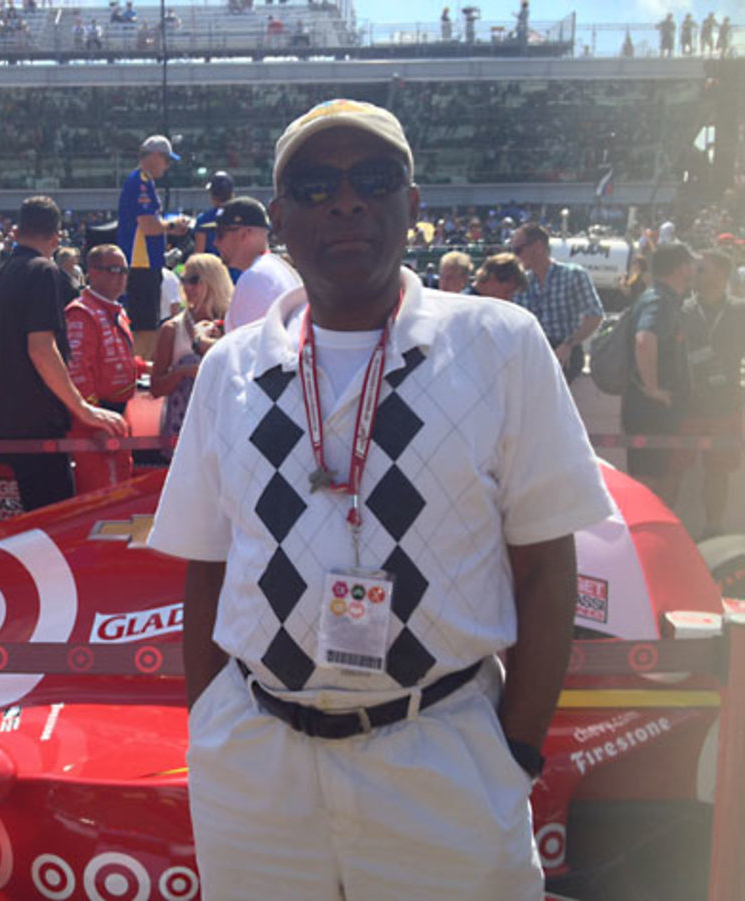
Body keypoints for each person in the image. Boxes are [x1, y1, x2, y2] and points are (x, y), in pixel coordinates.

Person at [148, 98, 613, 901]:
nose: (346, 202)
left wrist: (513, 755)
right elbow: (208, 567)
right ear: (281, 215)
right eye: (315, 185)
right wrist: (211, 727)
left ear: (412, 202)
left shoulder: (499, 344)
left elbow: (546, 567)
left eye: (372, 178)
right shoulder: (232, 368)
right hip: (258, 768)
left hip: (441, 759)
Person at [0, 196, 126, 512]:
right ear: (56, 239)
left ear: (16, 232)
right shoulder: (44, 272)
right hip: (41, 419)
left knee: (36, 515)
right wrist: (82, 409)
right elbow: (41, 348)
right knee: (55, 521)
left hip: (7, 419)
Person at [621, 242, 697, 506]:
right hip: (652, 411)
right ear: (680, 268)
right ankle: (649, 533)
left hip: (653, 410)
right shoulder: (659, 301)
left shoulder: (661, 298)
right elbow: (644, 339)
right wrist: (653, 388)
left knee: (662, 476)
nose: (695, 270)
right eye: (691, 264)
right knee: (649, 481)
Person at [64, 244, 143, 493]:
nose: (121, 277)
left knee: (122, 491)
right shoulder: (81, 313)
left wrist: (150, 368)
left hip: (119, 417)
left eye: (124, 271)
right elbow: (77, 373)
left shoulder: (117, 311)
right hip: (94, 424)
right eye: (113, 270)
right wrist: (95, 423)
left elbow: (118, 360)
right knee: (101, 498)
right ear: (93, 272)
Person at [679, 250, 744, 537]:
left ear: (722, 274)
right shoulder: (682, 309)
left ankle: (713, 529)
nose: (695, 273)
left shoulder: (739, 310)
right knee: (675, 467)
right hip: (687, 403)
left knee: (719, 470)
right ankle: (670, 532)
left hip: (725, 404)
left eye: (702, 269)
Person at [116, 135, 190, 358]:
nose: (167, 167)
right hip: (142, 263)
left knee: (147, 325)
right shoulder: (140, 182)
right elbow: (148, 225)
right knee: (145, 328)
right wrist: (172, 225)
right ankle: (138, 371)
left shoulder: (144, 181)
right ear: (155, 156)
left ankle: (139, 366)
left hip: (145, 263)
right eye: (166, 160)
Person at [152, 253, 231, 447]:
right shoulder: (172, 329)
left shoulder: (234, 324)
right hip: (184, 432)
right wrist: (184, 372)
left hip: (226, 426)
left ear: (213, 281)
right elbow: (156, 388)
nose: (187, 287)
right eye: (184, 280)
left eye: (194, 280)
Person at [511, 222, 604, 382]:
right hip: (531, 351)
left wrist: (569, 344)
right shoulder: (520, 282)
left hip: (565, 350)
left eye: (518, 250)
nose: (516, 256)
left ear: (538, 247)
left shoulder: (573, 274)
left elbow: (594, 316)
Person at [217, 196, 301, 332]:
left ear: (244, 234)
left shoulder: (255, 277)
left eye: (220, 235)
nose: (215, 243)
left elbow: (246, 344)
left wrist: (200, 340)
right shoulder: (274, 267)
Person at [193, 171, 234, 258]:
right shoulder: (243, 216)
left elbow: (199, 255)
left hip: (212, 265)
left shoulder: (204, 219)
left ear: (213, 196)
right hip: (239, 265)